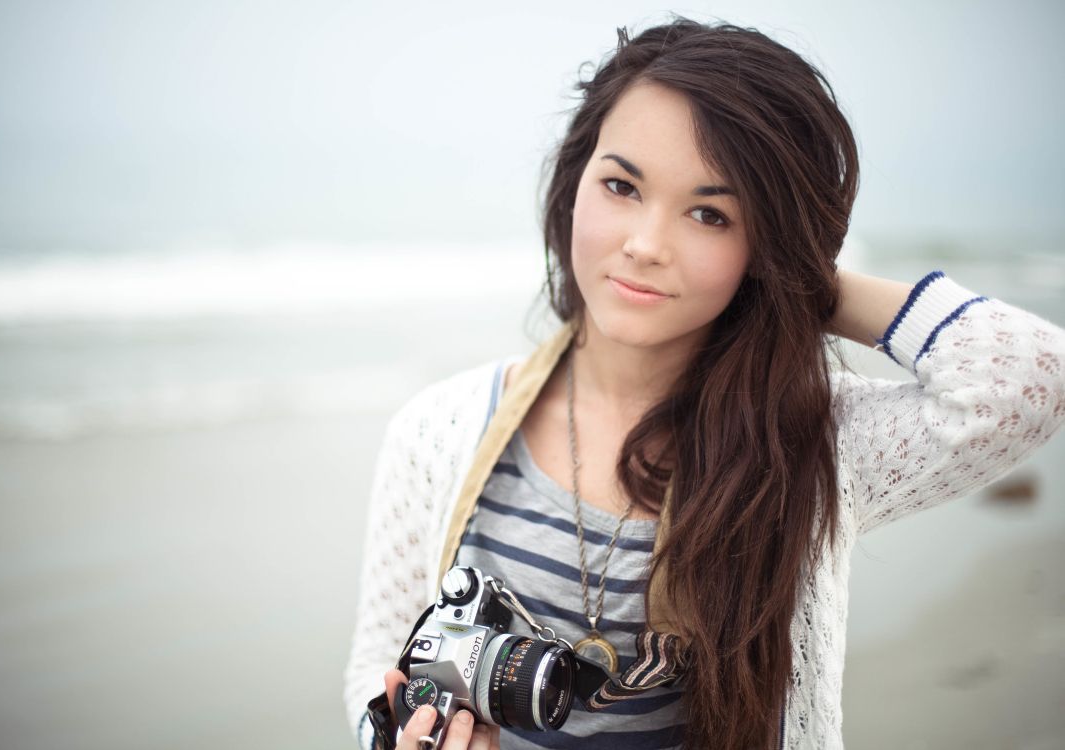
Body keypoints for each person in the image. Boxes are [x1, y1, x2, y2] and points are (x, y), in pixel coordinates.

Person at [343, 16, 1065, 750]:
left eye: (708, 214)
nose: (646, 245)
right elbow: (381, 662)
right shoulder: (440, 429)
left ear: (764, 244)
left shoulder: (803, 442)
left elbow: (1030, 375)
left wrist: (802, 280)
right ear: (573, 183)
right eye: (621, 185)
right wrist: (400, 736)